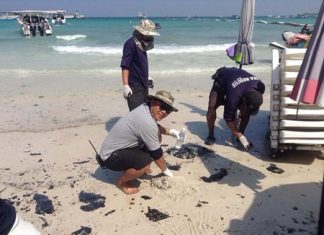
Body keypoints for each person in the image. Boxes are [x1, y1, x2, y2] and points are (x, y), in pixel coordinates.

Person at [98, 90, 185, 194]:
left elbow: (153, 127)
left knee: (156, 137)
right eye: (162, 107)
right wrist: (166, 171)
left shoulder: (145, 108)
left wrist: (171, 132)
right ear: (153, 102)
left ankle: (133, 168)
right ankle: (121, 182)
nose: (164, 112)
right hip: (109, 158)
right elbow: (157, 154)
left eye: (168, 110)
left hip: (118, 149)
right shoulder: (145, 120)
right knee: (145, 163)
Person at [205, 67, 265, 151]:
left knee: (246, 113)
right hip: (221, 80)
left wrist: (241, 137)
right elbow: (228, 118)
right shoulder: (234, 97)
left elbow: (248, 108)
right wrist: (238, 134)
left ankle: (241, 134)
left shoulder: (260, 86)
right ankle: (211, 135)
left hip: (238, 85)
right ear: (243, 101)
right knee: (212, 107)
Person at [121, 19, 160, 111]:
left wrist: (147, 77)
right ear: (142, 33)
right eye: (149, 34)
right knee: (136, 113)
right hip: (134, 86)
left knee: (145, 112)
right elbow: (125, 65)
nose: (150, 37)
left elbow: (140, 64)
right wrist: (126, 85)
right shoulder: (131, 44)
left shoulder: (141, 44)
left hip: (143, 84)